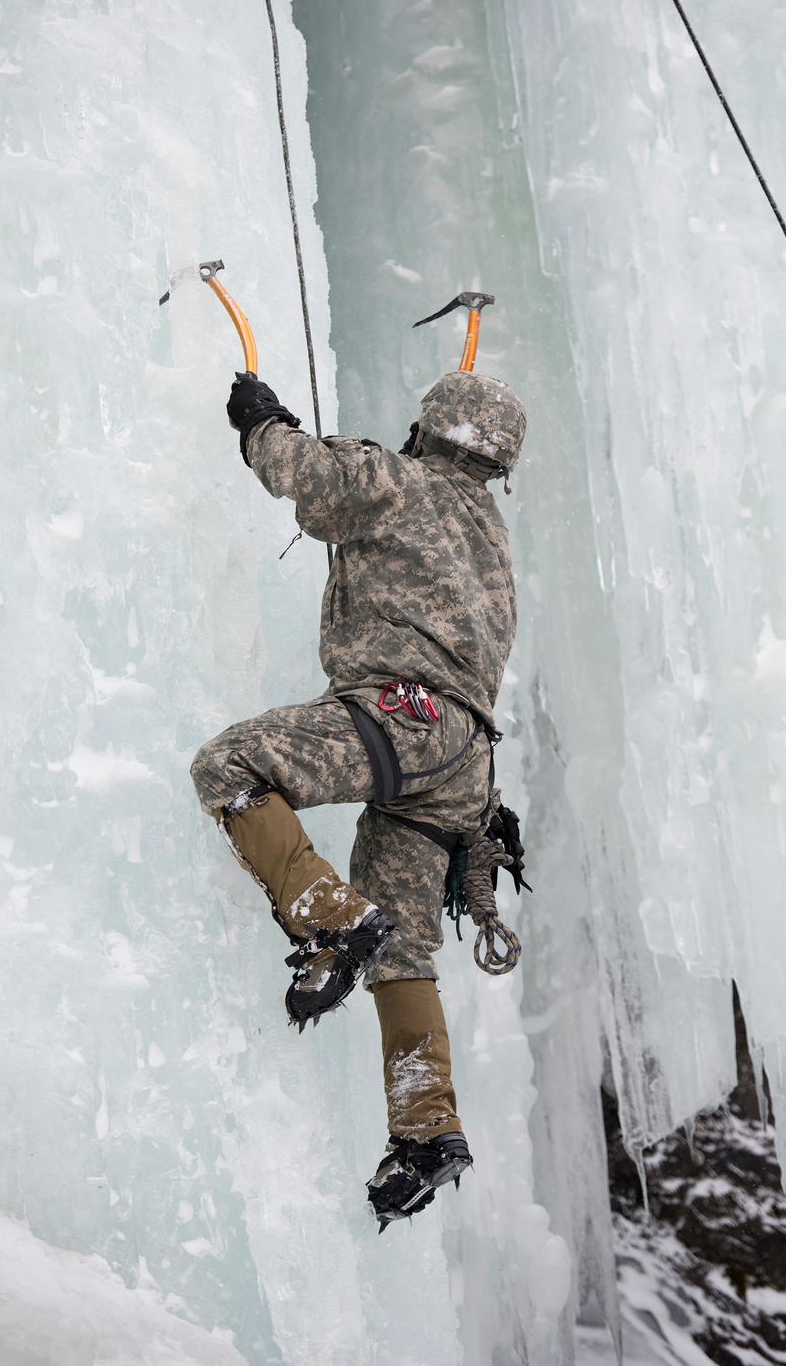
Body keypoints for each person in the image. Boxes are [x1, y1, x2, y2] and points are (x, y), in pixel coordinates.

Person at [190, 365, 527, 1230]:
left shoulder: (403, 481)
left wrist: (262, 424)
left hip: (401, 718)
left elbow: (313, 476)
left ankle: (324, 916)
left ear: (431, 428)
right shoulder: (490, 537)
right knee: (403, 947)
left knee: (229, 766)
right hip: (463, 765)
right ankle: (426, 1128)